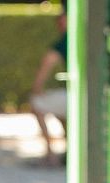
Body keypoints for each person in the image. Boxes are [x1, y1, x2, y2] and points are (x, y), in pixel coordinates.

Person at [28, 9, 68, 167]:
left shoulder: (65, 41)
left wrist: (36, 88)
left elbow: (47, 64)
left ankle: (51, 154)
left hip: (78, 96)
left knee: (36, 104)